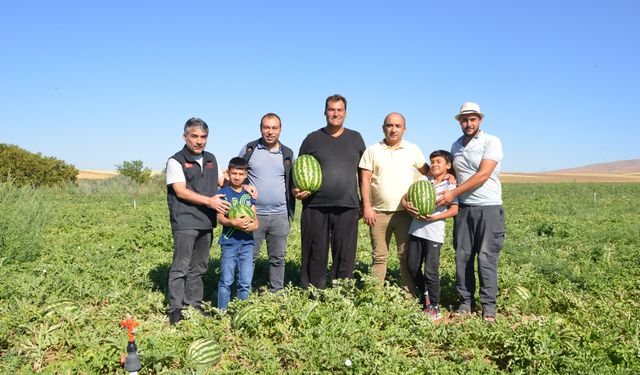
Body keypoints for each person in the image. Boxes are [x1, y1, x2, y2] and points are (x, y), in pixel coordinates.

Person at [436, 102, 505, 323]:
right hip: (464, 209)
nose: (468, 123)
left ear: (480, 120)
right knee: (462, 257)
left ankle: (489, 308)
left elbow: (483, 174)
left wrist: (454, 191)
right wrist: (451, 175)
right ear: (460, 122)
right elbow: (457, 170)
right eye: (464, 120)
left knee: (486, 257)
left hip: (489, 207)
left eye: (473, 119)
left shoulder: (491, 141)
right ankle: (466, 303)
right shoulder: (456, 145)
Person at [294, 94, 366, 289]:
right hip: (315, 206)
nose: (335, 113)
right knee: (315, 252)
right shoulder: (312, 139)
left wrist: (365, 204)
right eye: (331, 109)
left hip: (348, 205)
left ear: (345, 113)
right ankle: (313, 291)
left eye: (339, 110)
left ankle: (341, 293)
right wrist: (296, 189)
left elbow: (364, 173)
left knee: (345, 254)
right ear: (325, 112)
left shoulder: (356, 138)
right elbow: (299, 169)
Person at [165, 117, 230, 325]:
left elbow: (223, 181)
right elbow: (180, 191)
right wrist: (209, 202)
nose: (199, 141)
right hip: (185, 220)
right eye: (194, 136)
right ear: (185, 137)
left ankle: (193, 303)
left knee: (200, 266)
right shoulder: (175, 161)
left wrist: (245, 186)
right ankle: (175, 308)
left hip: (206, 221)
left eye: (203, 137)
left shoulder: (211, 158)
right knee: (181, 266)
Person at [359, 112, 428, 294]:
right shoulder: (373, 150)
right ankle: (375, 296)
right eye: (389, 125)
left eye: (398, 126)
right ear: (383, 128)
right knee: (379, 256)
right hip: (378, 213)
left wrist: (449, 175)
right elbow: (364, 180)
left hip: (405, 214)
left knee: (405, 257)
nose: (393, 129)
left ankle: (408, 294)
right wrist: (366, 207)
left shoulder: (412, 149)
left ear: (404, 129)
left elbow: (429, 172)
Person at [240, 113, 295, 293]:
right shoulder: (250, 149)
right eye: (266, 127)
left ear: (280, 129)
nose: (270, 132)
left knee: (278, 257)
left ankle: (276, 293)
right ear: (261, 128)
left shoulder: (287, 153)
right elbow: (235, 174)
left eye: (274, 128)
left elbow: (291, 181)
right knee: (249, 256)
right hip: (254, 213)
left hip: (280, 214)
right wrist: (243, 187)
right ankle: (243, 292)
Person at [403, 150, 459, 321]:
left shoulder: (450, 185)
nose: (434, 164)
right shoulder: (423, 180)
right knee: (412, 266)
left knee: (431, 271)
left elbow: (454, 210)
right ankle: (425, 294)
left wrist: (435, 217)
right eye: (432, 161)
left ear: (448, 166)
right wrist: (406, 205)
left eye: (438, 162)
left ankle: (434, 306)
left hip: (434, 233)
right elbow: (406, 196)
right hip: (416, 230)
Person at [216, 157, 259, 309]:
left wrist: (251, 226)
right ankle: (222, 312)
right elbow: (220, 218)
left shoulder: (249, 196)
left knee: (245, 282)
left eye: (240, 174)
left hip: (247, 244)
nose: (237, 177)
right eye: (234, 173)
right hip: (229, 243)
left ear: (246, 174)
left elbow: (255, 221)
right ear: (228, 173)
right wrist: (233, 223)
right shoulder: (223, 193)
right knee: (226, 280)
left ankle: (242, 311)